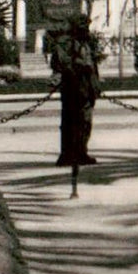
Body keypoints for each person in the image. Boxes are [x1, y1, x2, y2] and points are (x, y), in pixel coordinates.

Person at [51, 15, 102, 167]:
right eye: (82, 26)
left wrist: (95, 84)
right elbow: (61, 63)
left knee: (85, 122)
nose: (85, 29)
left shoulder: (85, 43)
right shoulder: (65, 43)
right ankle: (67, 154)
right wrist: (79, 65)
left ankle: (81, 152)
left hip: (87, 89)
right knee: (70, 122)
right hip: (73, 88)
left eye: (86, 26)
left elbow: (93, 66)